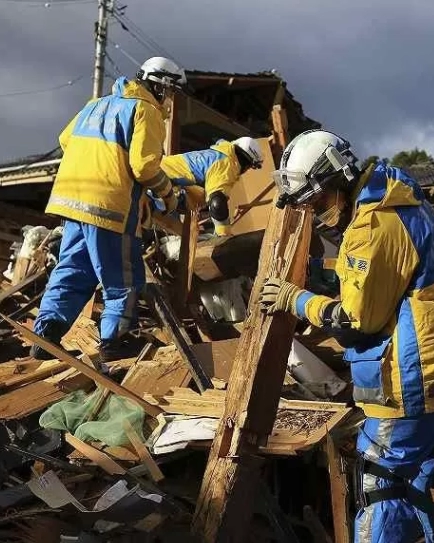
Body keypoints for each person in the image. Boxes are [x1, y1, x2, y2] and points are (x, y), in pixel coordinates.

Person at [259, 130, 434, 543]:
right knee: (423, 462)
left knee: (379, 477)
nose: (317, 212)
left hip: (420, 375)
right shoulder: (393, 195)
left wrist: (296, 300)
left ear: (340, 179)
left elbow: (355, 322)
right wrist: (326, 277)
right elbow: (382, 280)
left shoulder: (373, 225)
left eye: (319, 200)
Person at [31, 56, 186, 363]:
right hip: (109, 207)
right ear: (160, 87)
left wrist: (99, 164)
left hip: (72, 202)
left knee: (73, 270)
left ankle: (44, 337)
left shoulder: (95, 105)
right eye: (170, 92)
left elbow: (66, 140)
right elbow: (144, 167)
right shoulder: (146, 110)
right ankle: (115, 342)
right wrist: (168, 194)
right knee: (123, 277)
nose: (170, 100)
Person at [160, 137, 265, 235]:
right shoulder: (226, 166)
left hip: (163, 175)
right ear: (247, 162)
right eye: (250, 167)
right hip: (162, 180)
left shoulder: (222, 156)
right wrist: (224, 233)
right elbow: (217, 203)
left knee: (201, 196)